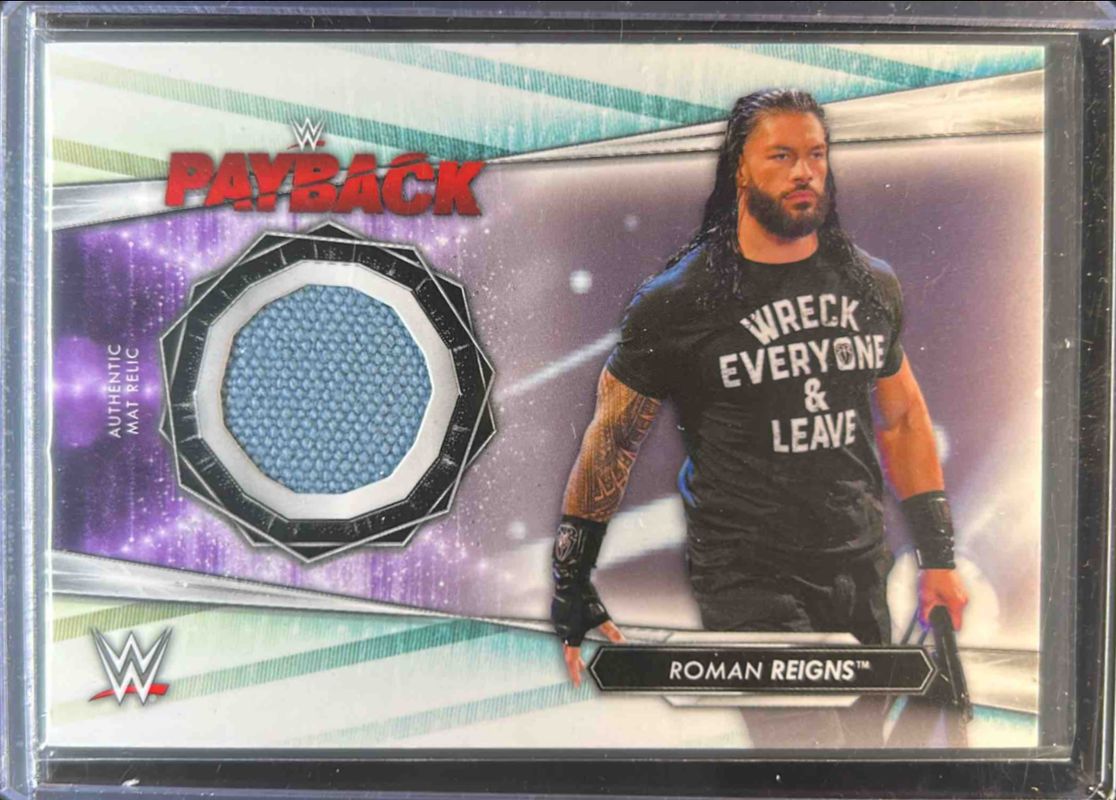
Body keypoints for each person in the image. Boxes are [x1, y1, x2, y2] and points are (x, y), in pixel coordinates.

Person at [550, 89, 969, 706]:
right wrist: (571, 579)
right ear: (740, 169)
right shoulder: (678, 301)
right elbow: (614, 437)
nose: (804, 172)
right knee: (807, 749)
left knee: (863, 752)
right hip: (749, 578)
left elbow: (903, 418)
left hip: (858, 565)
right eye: (781, 156)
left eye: (816, 154)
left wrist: (939, 557)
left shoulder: (868, 284)